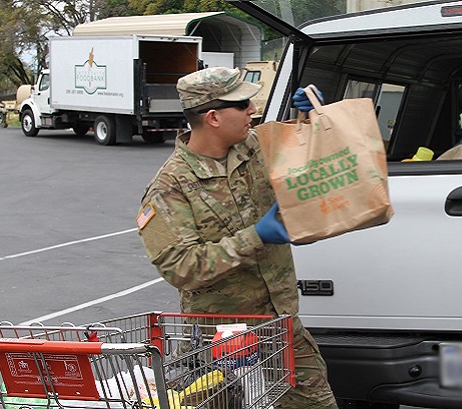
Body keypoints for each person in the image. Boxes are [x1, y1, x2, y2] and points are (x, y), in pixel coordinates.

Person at [136, 67, 338, 409]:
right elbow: (181, 268)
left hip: (281, 328)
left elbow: (302, 154)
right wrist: (255, 237)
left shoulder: (253, 147)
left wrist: (305, 115)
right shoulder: (169, 188)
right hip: (224, 344)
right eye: (242, 104)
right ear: (213, 117)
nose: (253, 110)